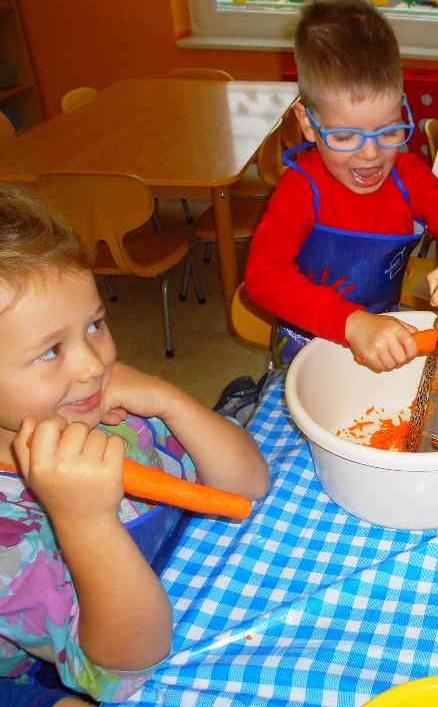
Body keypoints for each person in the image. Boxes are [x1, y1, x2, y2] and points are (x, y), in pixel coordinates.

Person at [0, 186, 270, 702]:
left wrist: (170, 400)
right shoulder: (10, 538)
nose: (93, 365)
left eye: (94, 325)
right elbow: (127, 667)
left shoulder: (99, 408)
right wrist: (85, 520)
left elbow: (248, 486)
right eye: (50, 350)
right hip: (44, 675)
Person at [245, 0, 438, 371]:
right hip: (306, 348)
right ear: (307, 123)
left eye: (388, 130)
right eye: (345, 136)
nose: (370, 155)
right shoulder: (300, 188)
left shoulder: (409, 175)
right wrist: (351, 323)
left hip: (385, 334)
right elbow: (263, 277)